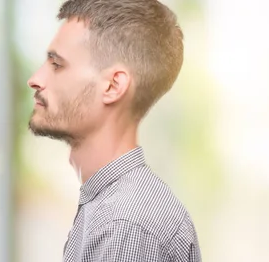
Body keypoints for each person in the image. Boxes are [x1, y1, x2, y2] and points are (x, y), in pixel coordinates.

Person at [27, 0, 201, 261]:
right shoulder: (113, 209)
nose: (36, 79)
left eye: (57, 65)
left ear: (112, 86)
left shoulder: (123, 225)